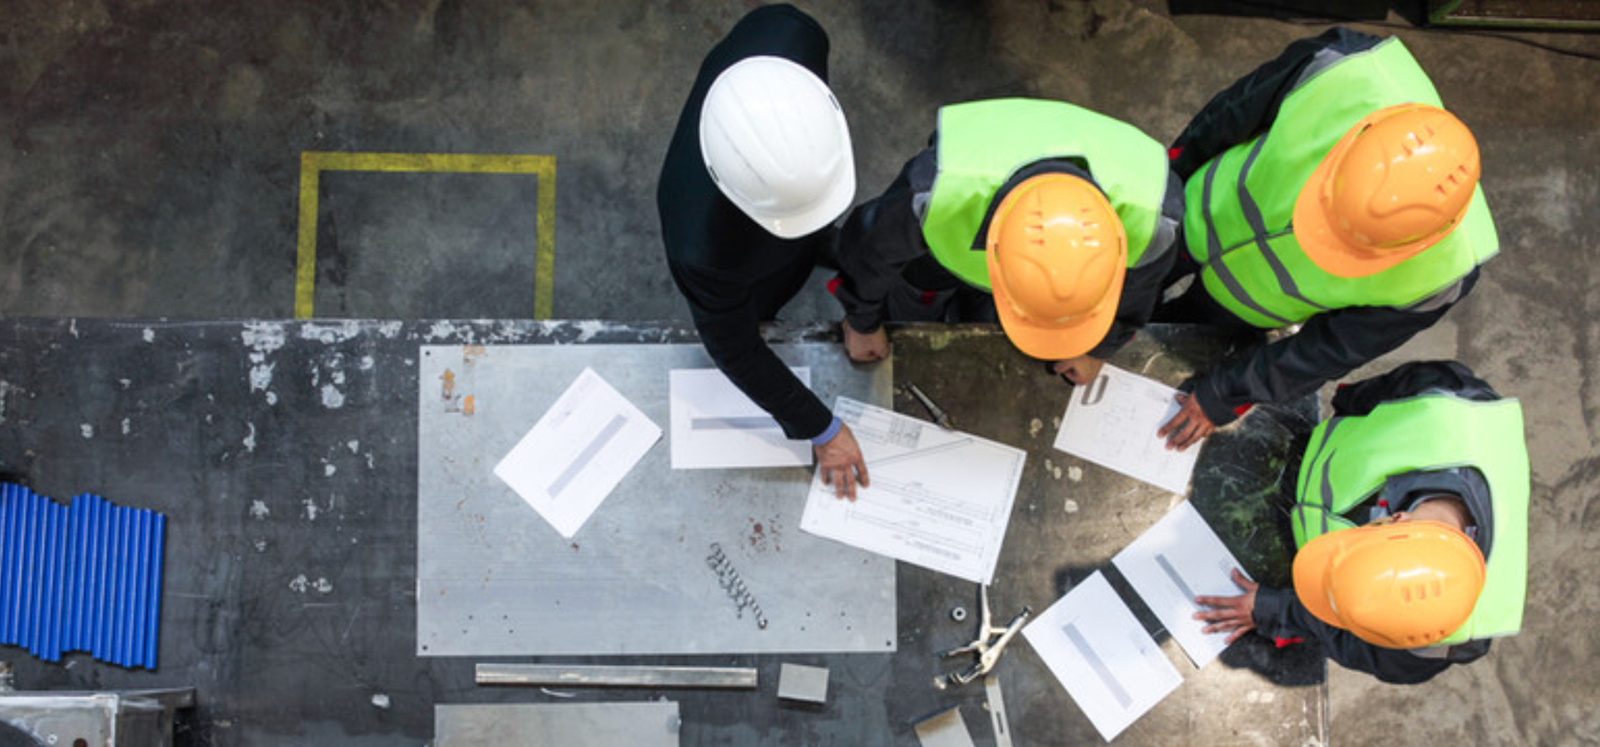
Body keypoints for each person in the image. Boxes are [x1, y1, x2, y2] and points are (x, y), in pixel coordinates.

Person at [1154, 28, 1499, 450]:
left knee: (1180, 336)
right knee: (1136, 279)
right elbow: (1227, 115)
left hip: (1247, 304)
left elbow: (1327, 350)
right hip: (1199, 208)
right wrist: (1164, 190)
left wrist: (1225, 393)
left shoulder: (1442, 275)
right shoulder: (1342, 70)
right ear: (1348, 147)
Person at [1194, 361, 1528, 684]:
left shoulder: (1443, 637)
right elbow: (1365, 397)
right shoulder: (1450, 401)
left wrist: (1276, 609)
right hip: (1296, 452)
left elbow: (1360, 645)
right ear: (1396, 518)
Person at [657, 5, 868, 498]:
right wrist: (823, 429)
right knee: (760, 310)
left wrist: (865, 303)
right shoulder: (703, 250)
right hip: (738, 255)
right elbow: (735, 347)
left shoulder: (792, 34)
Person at [831, 98, 1181, 382]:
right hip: (935, 259)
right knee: (912, 306)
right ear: (991, 251)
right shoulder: (936, 194)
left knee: (985, 321)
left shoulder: (1154, 219)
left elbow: (1138, 294)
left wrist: (1096, 347)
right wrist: (863, 322)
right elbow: (867, 253)